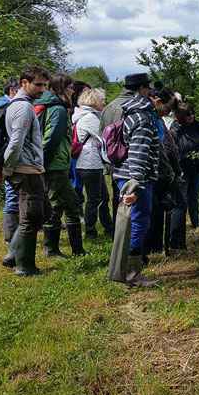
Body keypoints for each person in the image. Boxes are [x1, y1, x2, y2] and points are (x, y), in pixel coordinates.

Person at [106, 74, 170, 287]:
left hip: (126, 175)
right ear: (142, 90)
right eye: (148, 88)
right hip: (134, 178)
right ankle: (131, 274)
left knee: (132, 222)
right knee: (138, 223)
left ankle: (125, 271)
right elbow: (139, 153)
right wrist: (136, 185)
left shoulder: (130, 112)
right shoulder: (143, 117)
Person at [0, 66, 51, 276]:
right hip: (25, 170)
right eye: (38, 84)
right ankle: (24, 267)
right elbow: (16, 142)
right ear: (24, 83)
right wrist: (6, 169)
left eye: (44, 85)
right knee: (30, 218)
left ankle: (13, 253)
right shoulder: (23, 108)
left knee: (43, 212)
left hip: (29, 168)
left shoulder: (20, 105)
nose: (42, 89)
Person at [35, 72, 86, 257]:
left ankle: (76, 249)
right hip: (53, 165)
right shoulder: (57, 109)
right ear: (62, 88)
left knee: (68, 203)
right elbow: (51, 139)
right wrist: (44, 163)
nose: (73, 92)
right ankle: (53, 250)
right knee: (58, 205)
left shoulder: (49, 105)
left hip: (53, 164)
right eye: (71, 88)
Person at [143, 89, 181, 260]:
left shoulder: (151, 118)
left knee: (152, 211)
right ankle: (151, 247)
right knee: (155, 211)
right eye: (169, 108)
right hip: (155, 173)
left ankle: (150, 248)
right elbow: (166, 149)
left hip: (151, 172)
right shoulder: (152, 120)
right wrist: (172, 170)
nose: (170, 112)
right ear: (158, 102)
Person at [0, 77, 21, 267]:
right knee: (12, 198)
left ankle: (11, 240)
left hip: (0, 157)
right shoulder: (6, 106)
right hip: (7, 158)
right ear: (12, 90)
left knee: (11, 197)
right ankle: (11, 242)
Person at [72, 87, 113, 238]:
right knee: (94, 198)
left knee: (103, 196)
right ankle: (90, 231)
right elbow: (104, 136)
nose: (103, 102)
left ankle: (107, 225)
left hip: (91, 163)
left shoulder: (85, 115)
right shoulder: (90, 117)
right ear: (93, 101)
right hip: (89, 163)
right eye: (101, 100)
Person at [101, 76, 140, 227]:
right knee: (129, 197)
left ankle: (115, 230)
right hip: (128, 159)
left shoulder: (108, 107)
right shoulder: (133, 106)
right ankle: (127, 235)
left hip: (111, 159)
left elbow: (101, 136)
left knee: (116, 195)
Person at [169, 102, 199, 250]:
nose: (191, 116)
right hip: (182, 171)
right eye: (188, 114)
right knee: (180, 202)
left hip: (196, 169)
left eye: (192, 113)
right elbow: (173, 151)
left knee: (194, 198)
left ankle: (196, 224)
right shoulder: (175, 130)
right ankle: (177, 235)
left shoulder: (197, 126)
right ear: (180, 116)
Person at [69, 81, 91, 213]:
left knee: (78, 184)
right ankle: (75, 214)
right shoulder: (70, 111)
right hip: (72, 152)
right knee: (75, 184)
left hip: (79, 151)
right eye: (85, 92)